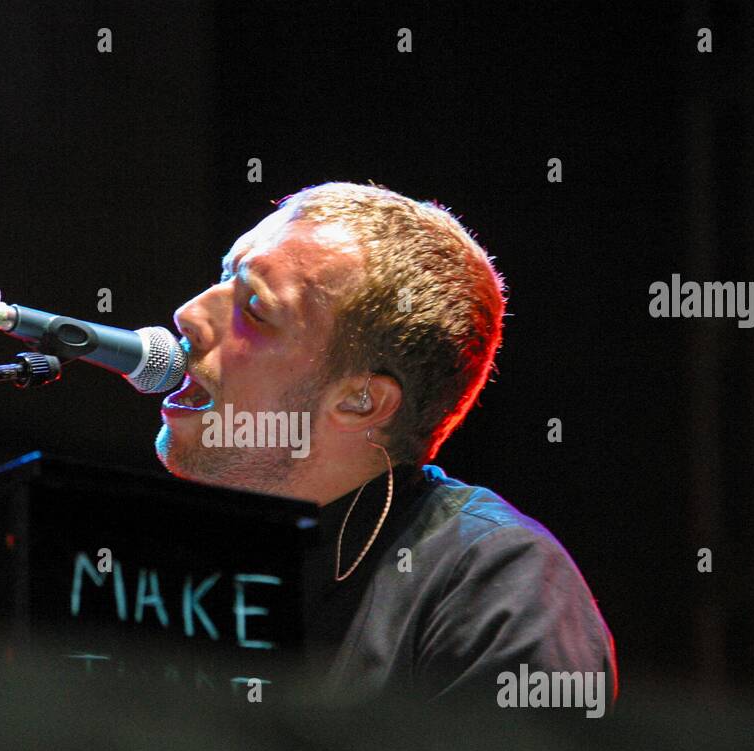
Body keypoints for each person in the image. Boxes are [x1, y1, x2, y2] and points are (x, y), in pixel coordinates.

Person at [155, 182, 617, 708]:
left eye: (256, 306)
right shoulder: (166, 552)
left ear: (362, 401)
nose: (189, 314)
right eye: (223, 279)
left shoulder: (499, 581)